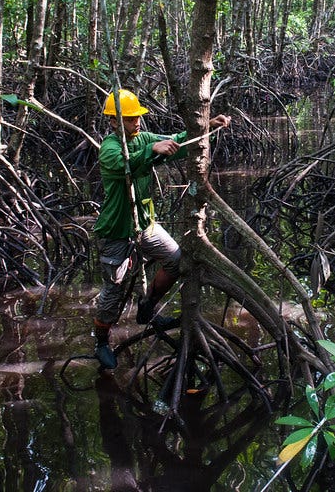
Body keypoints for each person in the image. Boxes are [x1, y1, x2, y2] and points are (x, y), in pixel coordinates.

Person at [91, 88, 231, 370]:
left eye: (137, 117)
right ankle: (102, 343)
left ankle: (147, 308)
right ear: (114, 121)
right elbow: (124, 165)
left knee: (176, 259)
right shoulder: (109, 147)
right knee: (113, 292)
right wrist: (151, 150)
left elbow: (177, 141)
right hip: (116, 232)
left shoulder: (143, 138)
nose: (137, 122)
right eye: (130, 119)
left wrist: (208, 128)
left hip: (145, 226)